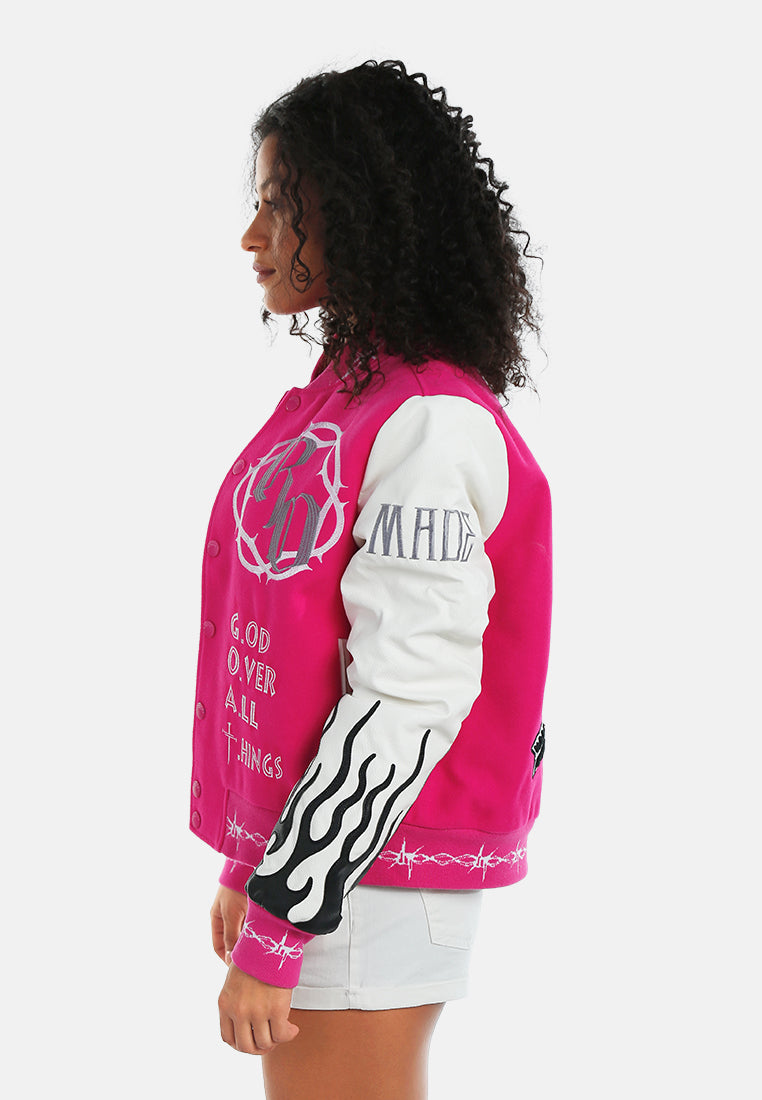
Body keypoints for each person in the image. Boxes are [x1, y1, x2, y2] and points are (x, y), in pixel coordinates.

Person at [189, 59, 552, 1099]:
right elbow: (307, 647)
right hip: (340, 874)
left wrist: (286, 910)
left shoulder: (427, 422)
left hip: (370, 883)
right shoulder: (350, 397)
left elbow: (405, 695)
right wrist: (250, 861)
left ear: (357, 213)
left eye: (279, 205)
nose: (252, 236)